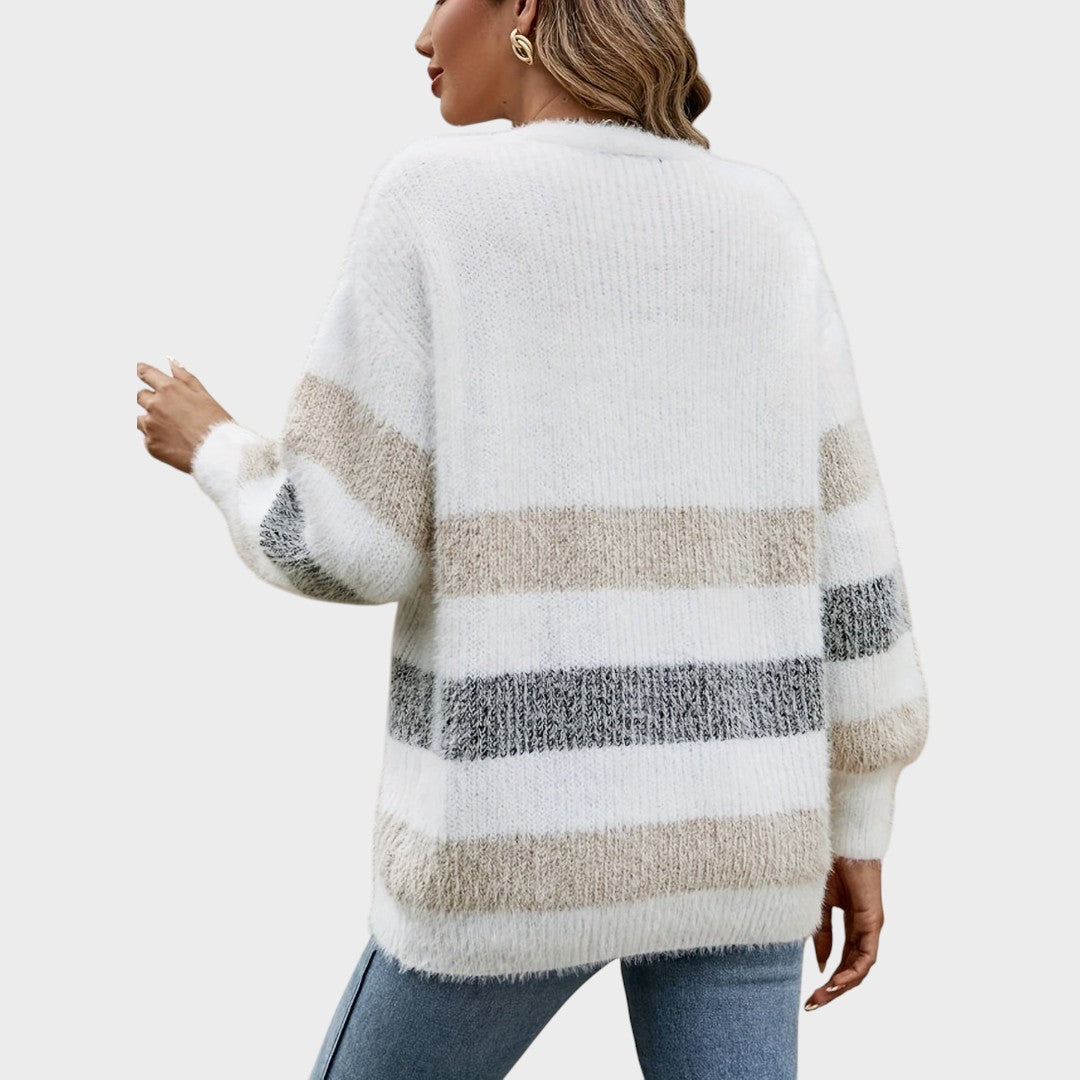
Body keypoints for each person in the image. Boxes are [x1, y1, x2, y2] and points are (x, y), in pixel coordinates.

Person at [135, 1, 929, 1076]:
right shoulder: (765, 219)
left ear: (524, 7)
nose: (422, 35)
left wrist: (216, 450)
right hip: (744, 837)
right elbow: (853, 556)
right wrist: (860, 822)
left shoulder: (436, 202)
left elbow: (348, 542)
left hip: (515, 849)